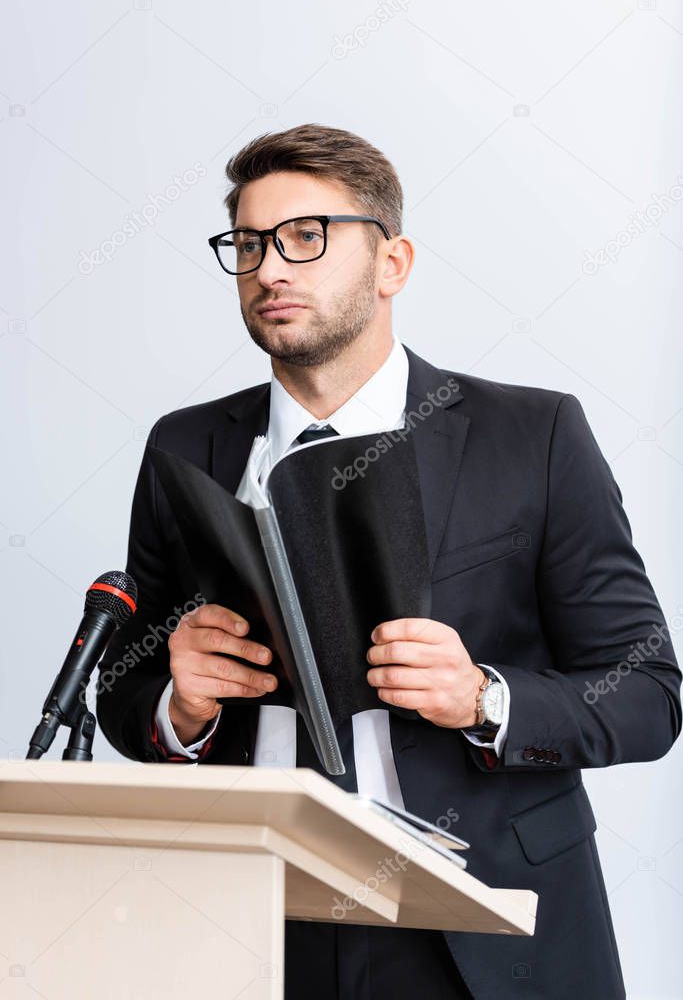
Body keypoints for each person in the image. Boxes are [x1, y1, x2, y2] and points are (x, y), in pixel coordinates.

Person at [96, 123, 681, 999]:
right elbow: (121, 690)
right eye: (249, 244)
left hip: (479, 923)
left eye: (306, 236)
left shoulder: (535, 436)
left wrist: (484, 695)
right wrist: (180, 702)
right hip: (252, 922)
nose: (271, 269)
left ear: (392, 264)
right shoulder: (186, 445)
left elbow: (647, 695)